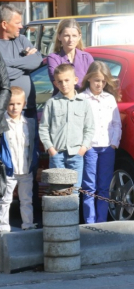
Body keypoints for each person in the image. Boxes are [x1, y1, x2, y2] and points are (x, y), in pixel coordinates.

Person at [39, 64, 94, 194]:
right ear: (55, 83)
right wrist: (51, 150)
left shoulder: (84, 103)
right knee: (59, 191)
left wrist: (83, 148)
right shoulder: (51, 103)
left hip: (76, 154)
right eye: (60, 81)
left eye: (67, 80)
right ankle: (59, 215)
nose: (64, 84)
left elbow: (89, 128)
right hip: (57, 155)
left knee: (74, 191)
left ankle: (74, 214)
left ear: (75, 80)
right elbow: (43, 128)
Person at [80, 61, 122, 224]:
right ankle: (90, 222)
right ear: (89, 79)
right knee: (89, 187)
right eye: (97, 80)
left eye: (103, 81)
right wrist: (85, 144)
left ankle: (101, 221)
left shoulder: (109, 98)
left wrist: (114, 143)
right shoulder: (82, 98)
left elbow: (116, 123)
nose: (100, 84)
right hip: (89, 147)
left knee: (104, 186)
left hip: (107, 147)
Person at [0, 87, 37, 232]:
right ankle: (3, 226)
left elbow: (33, 146)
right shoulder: (2, 123)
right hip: (8, 169)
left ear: (24, 103)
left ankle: (28, 224)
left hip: (25, 169)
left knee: (26, 199)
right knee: (5, 200)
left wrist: (34, 163)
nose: (14, 107)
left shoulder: (30, 123)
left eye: (18, 104)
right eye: (10, 104)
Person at [0, 5, 42, 118]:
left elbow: (37, 60)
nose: (21, 26)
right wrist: (25, 65)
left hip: (28, 108)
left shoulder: (22, 39)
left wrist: (5, 63)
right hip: (4, 111)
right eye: (17, 23)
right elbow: (2, 76)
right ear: (4, 24)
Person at [48, 19, 94, 96]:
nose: (71, 40)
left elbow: (94, 82)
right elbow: (58, 83)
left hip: (85, 102)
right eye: (66, 35)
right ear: (59, 37)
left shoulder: (87, 57)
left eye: (74, 36)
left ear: (79, 37)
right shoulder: (53, 58)